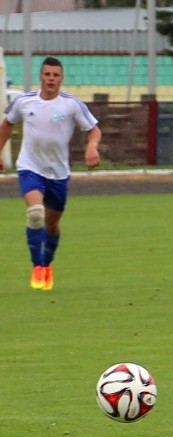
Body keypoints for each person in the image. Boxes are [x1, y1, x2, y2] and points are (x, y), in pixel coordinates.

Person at [0, 56, 101, 291]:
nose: (51, 79)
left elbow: (94, 130)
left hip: (58, 174)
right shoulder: (24, 102)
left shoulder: (72, 105)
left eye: (55, 75)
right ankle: (37, 266)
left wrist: (92, 146)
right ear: (41, 77)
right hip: (30, 167)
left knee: (52, 225)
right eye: (47, 74)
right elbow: (7, 125)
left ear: (61, 78)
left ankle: (47, 263)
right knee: (35, 213)